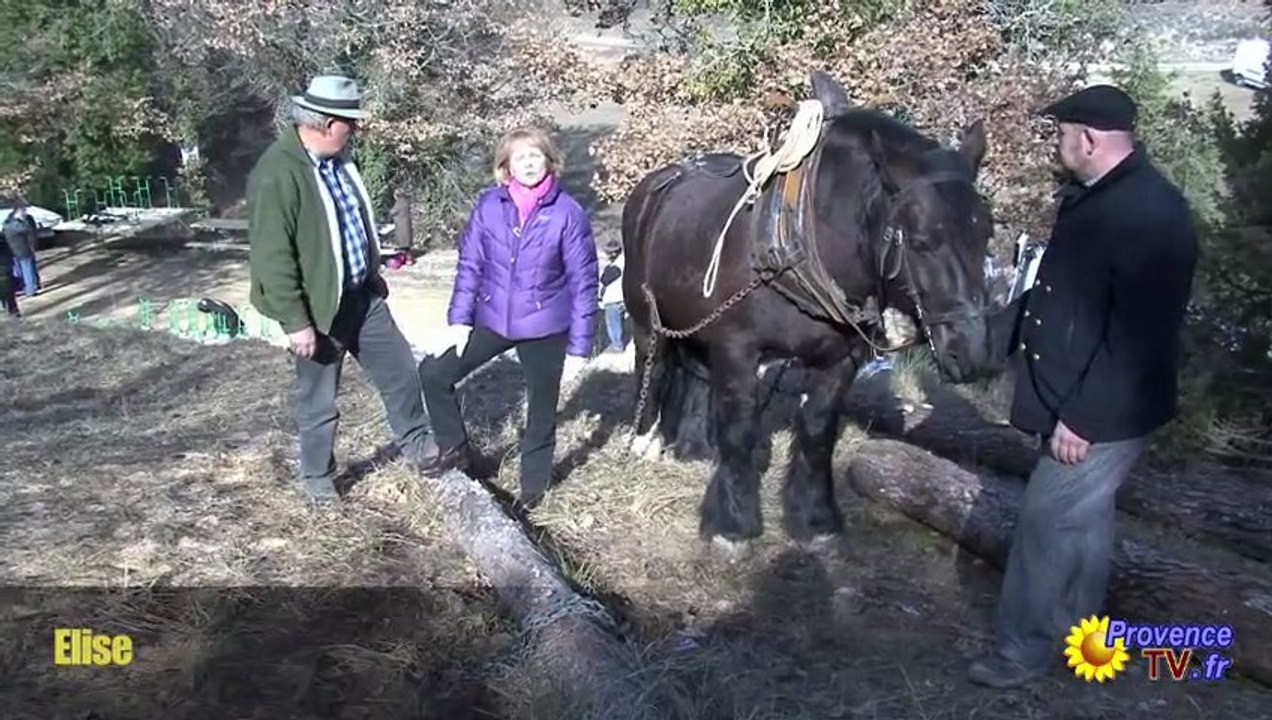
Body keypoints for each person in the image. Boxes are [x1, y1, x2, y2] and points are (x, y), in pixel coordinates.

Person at [969, 84, 1198, 688]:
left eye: (1061, 133)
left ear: (1089, 139)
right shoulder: (1097, 198)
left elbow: (1139, 338)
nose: (1057, 143)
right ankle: (1082, 640)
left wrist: (1085, 419)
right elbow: (1059, 296)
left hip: (1101, 412)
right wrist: (990, 336)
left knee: (1046, 524)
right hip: (1071, 399)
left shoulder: (1152, 217)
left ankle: (1019, 654)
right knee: (1083, 525)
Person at [246, 74, 440, 504]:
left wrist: (372, 275)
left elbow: (351, 228)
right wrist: (297, 322)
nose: (355, 130)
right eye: (351, 123)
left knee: (401, 372)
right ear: (328, 123)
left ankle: (420, 445)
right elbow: (271, 257)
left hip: (361, 297)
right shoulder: (278, 172)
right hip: (317, 310)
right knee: (320, 402)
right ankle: (318, 480)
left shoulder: (338, 164)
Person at [418, 126, 599, 507]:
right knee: (433, 373)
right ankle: (456, 452)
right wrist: (459, 322)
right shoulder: (489, 206)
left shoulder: (567, 213)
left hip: (546, 325)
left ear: (549, 161)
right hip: (493, 318)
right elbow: (470, 265)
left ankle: (533, 491)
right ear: (506, 166)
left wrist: (579, 350)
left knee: (542, 407)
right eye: (520, 157)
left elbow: (584, 284)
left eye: (536, 155)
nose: (529, 163)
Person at [3, 204, 40, 297]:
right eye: (23, 211)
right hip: (23, 250)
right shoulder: (19, 225)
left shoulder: (6, 225)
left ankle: (24, 287)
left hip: (13, 250)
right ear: (18, 212)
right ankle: (30, 290)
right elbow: (28, 230)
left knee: (19, 270)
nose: (25, 213)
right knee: (28, 270)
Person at [598, 237, 626, 352]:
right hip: (621, 298)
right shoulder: (624, 262)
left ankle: (617, 346)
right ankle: (618, 344)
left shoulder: (616, 266)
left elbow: (604, 280)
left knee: (613, 324)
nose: (607, 255)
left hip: (612, 299)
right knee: (618, 322)